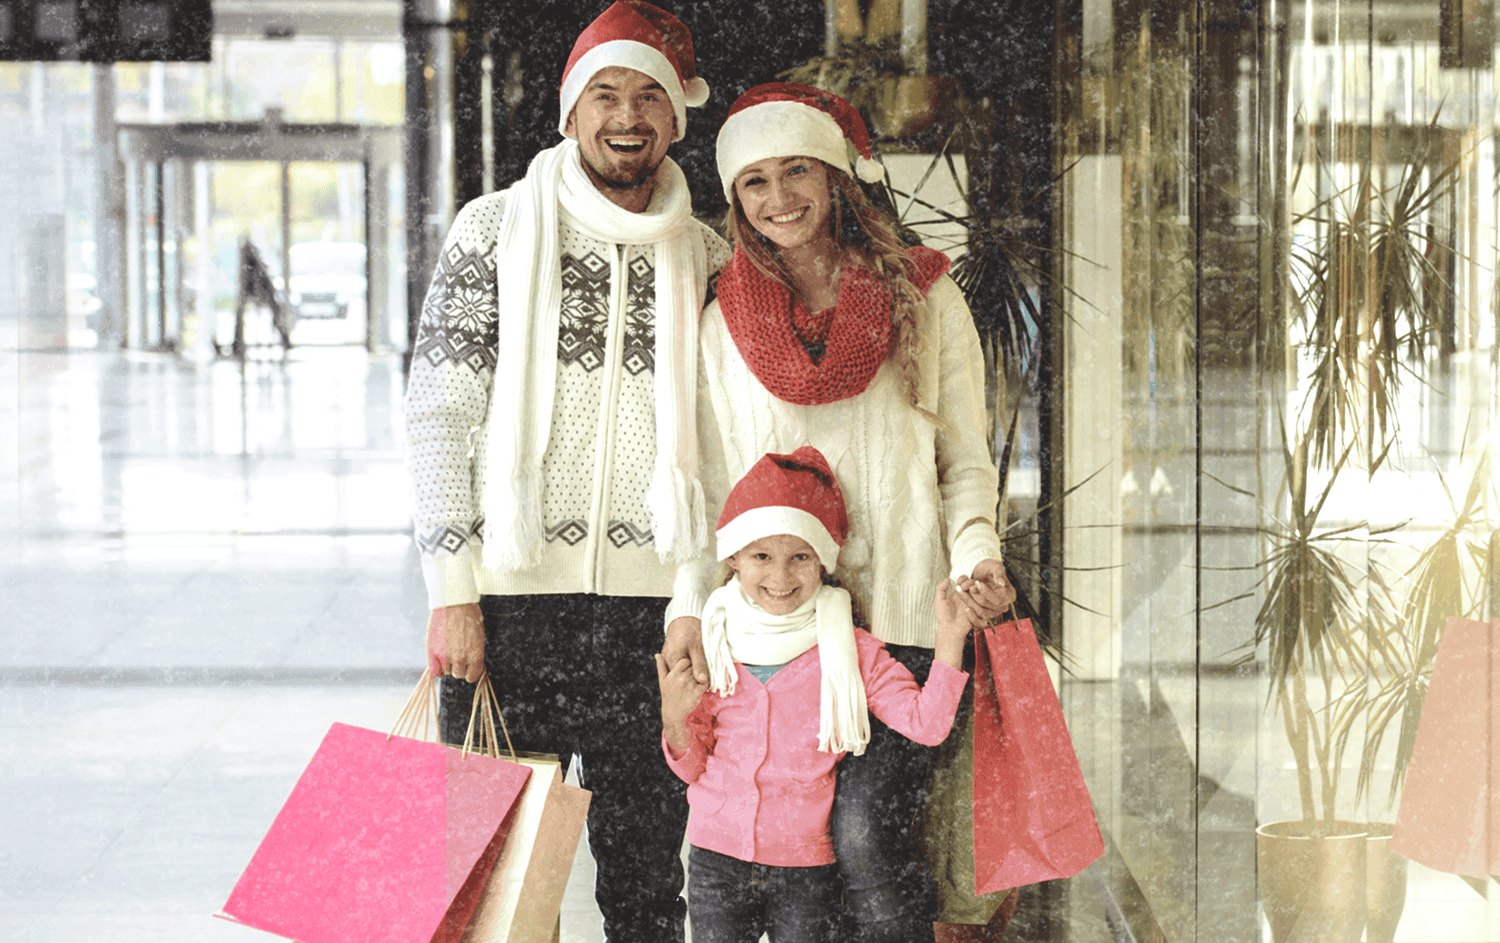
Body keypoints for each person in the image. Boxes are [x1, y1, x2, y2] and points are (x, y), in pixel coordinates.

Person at [661, 83, 1019, 942]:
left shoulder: (923, 300)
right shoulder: (721, 323)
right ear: (734, 199)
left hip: (899, 619)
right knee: (795, 855)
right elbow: (707, 487)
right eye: (755, 182)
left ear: (836, 178)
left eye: (797, 172)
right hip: (769, 636)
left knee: (863, 832)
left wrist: (976, 555)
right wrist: (685, 607)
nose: (779, 199)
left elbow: (964, 459)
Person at [403, 4, 728, 940]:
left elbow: (721, 442)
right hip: (507, 611)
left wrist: (691, 604)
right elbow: (440, 412)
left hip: (651, 623)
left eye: (648, 97)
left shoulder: (706, 256)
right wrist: (452, 591)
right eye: (605, 94)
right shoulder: (492, 229)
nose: (626, 117)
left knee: (644, 890)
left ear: (675, 118)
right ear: (568, 110)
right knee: (493, 888)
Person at [656, 446, 977, 943]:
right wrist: (674, 719)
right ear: (735, 558)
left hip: (805, 872)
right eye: (761, 556)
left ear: (823, 562)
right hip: (715, 861)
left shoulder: (852, 650)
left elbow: (927, 725)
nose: (780, 577)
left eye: (799, 557)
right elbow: (693, 766)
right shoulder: (713, 643)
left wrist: (950, 641)